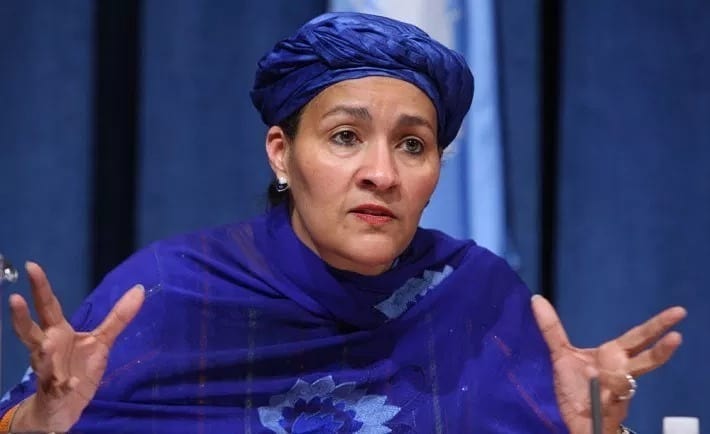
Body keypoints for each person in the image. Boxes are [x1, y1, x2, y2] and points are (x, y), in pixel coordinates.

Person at [0, 12, 685, 433]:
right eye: (346, 137)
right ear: (281, 152)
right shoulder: (169, 292)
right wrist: (42, 423)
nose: (382, 173)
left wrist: (595, 429)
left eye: (412, 145)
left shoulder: (477, 297)